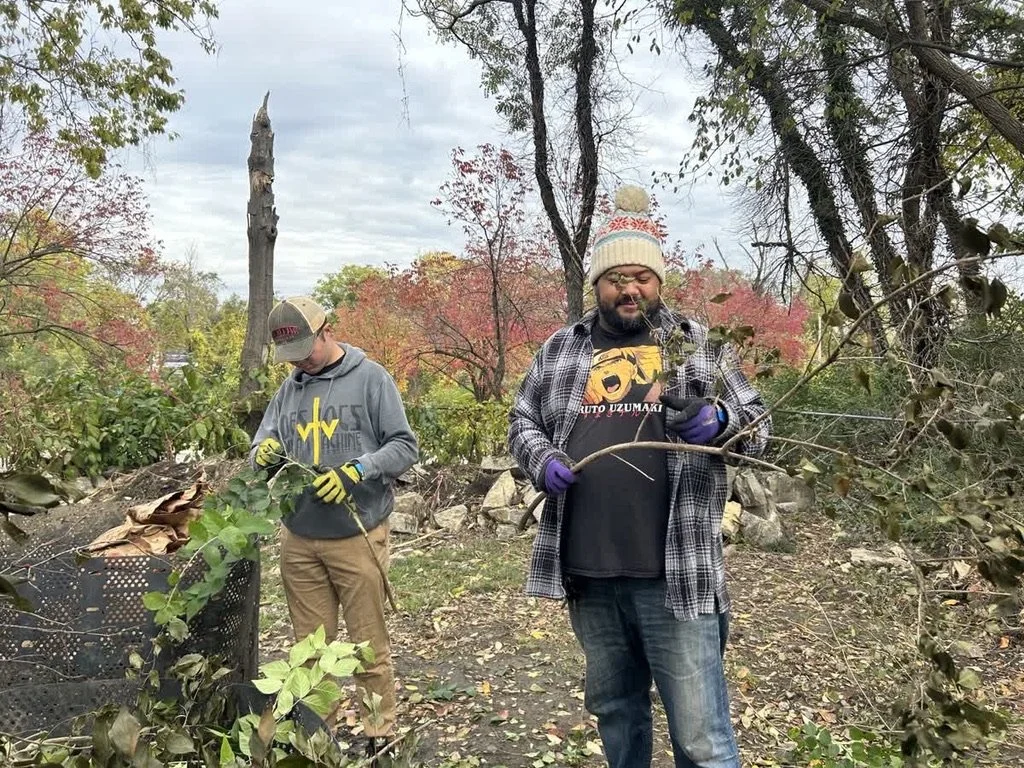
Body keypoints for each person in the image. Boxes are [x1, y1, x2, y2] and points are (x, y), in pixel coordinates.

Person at [508, 185, 770, 768]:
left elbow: (759, 421)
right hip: (590, 574)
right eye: (615, 278)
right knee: (618, 717)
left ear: (658, 284)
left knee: (702, 739)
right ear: (597, 286)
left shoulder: (698, 344)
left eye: (642, 278)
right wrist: (541, 458)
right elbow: (522, 419)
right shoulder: (559, 349)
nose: (629, 289)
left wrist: (722, 419)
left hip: (676, 573)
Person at [250, 295, 418, 760]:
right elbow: (263, 441)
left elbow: (404, 446)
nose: (299, 361)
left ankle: (379, 733)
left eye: (306, 347)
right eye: (291, 354)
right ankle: (317, 737)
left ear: (327, 331)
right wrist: (261, 454)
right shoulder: (289, 390)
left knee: (366, 644)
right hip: (300, 539)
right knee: (309, 650)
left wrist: (357, 471)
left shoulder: (371, 380)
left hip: (356, 536)